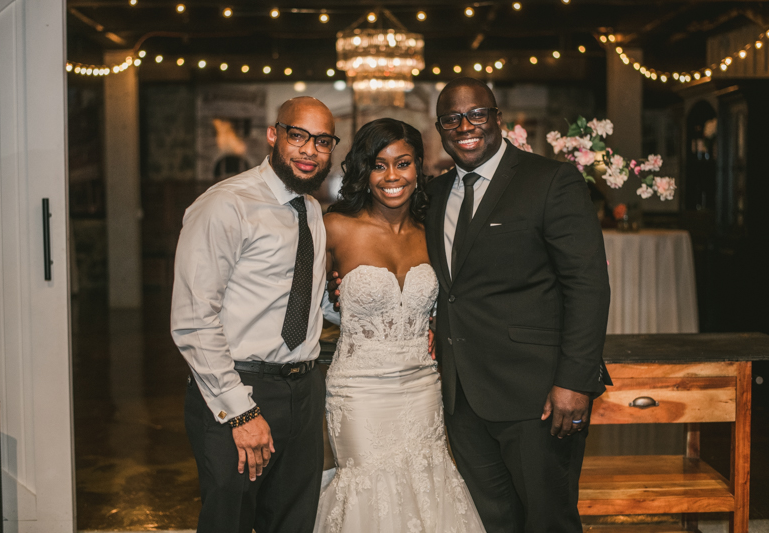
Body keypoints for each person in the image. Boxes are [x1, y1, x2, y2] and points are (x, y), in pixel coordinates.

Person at [425, 77, 612, 532]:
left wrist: (574, 381)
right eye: (452, 118)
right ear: (440, 128)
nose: (465, 126)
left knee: (548, 520)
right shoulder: (433, 194)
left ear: (497, 119)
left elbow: (587, 284)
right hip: (462, 397)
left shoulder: (551, 180)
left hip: (539, 396)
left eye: (477, 114)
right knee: (491, 521)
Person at [171, 96, 339, 533]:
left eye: (322, 141)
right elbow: (193, 319)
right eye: (298, 135)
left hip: (304, 390)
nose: (309, 150)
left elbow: (306, 297)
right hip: (238, 386)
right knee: (230, 520)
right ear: (273, 135)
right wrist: (240, 412)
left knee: (294, 521)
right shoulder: (226, 204)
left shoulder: (312, 209)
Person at [315, 118, 486, 533]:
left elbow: (452, 300)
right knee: (367, 492)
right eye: (379, 164)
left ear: (418, 168)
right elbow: (307, 305)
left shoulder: (433, 232)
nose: (392, 176)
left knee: (426, 486)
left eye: (403, 163)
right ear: (364, 171)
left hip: (423, 385)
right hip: (359, 390)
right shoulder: (335, 227)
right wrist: (344, 306)